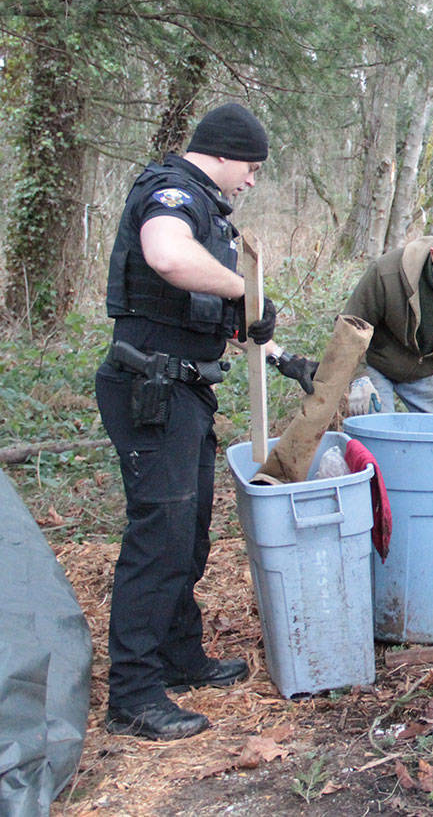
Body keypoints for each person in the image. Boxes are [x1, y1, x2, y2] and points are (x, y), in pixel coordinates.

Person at [96, 103, 319, 740]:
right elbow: (166, 257)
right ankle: (134, 694)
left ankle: (180, 655)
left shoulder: (209, 210)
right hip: (150, 391)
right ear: (221, 153)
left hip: (184, 391)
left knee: (188, 535)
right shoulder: (172, 195)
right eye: (250, 167)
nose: (251, 180)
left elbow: (207, 315)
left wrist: (281, 357)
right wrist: (241, 291)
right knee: (158, 541)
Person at [342, 227, 433, 417]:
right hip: (375, 362)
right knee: (379, 433)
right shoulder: (387, 272)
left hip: (423, 370)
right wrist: (358, 378)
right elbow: (351, 325)